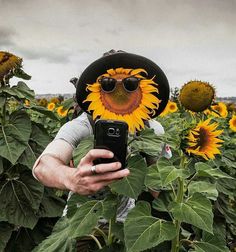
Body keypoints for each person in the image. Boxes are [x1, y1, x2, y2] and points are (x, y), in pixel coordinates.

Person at [32, 49, 170, 221]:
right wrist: (72, 178)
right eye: (107, 84)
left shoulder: (151, 130)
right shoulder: (83, 126)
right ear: (96, 91)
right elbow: (43, 166)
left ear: (142, 88)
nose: (120, 91)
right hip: (82, 220)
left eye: (131, 83)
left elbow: (159, 182)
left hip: (124, 222)